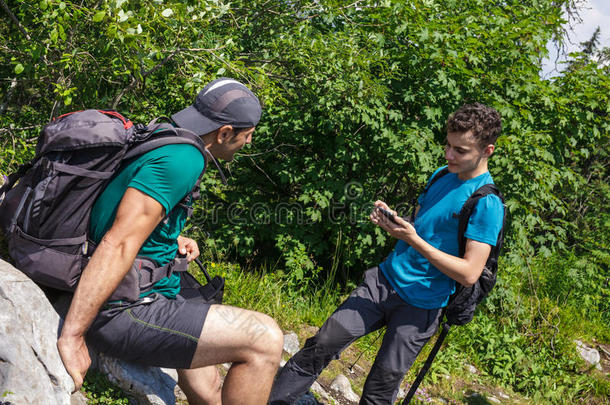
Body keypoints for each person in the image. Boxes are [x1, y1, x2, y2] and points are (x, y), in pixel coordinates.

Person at [56, 78, 284, 405]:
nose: (248, 142)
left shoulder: (168, 138)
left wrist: (171, 237)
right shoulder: (183, 160)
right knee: (265, 338)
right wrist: (73, 335)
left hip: (157, 293)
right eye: (247, 134)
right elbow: (118, 242)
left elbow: (122, 210)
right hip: (126, 309)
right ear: (224, 133)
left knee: (211, 395)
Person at [268, 103, 505, 405]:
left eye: (460, 151)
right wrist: (396, 223)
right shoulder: (441, 175)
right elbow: (425, 226)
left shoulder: (487, 203)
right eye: (447, 145)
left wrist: (414, 239)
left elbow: (470, 272)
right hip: (384, 281)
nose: (448, 155)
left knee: (382, 385)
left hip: (423, 304)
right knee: (323, 342)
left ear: (487, 150)